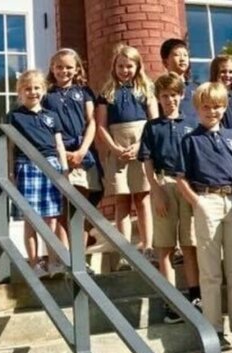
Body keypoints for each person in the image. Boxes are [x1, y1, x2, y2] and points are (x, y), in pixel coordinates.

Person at [176, 82, 232, 350]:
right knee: (210, 271)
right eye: (206, 107)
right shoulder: (190, 140)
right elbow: (180, 179)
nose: (212, 111)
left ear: (225, 108)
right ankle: (214, 329)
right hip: (207, 200)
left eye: (217, 106)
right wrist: (197, 202)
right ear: (197, 108)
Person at [138, 74, 200, 324]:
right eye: (164, 96)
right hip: (163, 184)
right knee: (165, 245)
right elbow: (147, 161)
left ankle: (196, 296)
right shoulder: (152, 127)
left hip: (187, 184)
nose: (170, 100)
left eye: (174, 95)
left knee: (189, 243)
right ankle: (171, 301)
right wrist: (155, 190)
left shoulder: (192, 123)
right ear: (158, 98)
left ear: (181, 95)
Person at [95, 44, 158, 269]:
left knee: (142, 198)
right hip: (117, 146)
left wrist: (140, 146)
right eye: (120, 66)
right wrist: (113, 148)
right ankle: (125, 252)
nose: (124, 70)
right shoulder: (106, 93)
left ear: (137, 66)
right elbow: (101, 126)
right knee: (122, 199)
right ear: (114, 67)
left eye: (129, 66)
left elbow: (154, 122)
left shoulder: (146, 90)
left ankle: (148, 246)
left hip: (141, 144)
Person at [43, 48, 100, 273]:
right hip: (59, 155)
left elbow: (92, 121)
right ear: (52, 68)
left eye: (68, 67)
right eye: (59, 67)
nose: (63, 71)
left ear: (76, 69)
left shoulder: (84, 92)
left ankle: (79, 258)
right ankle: (67, 259)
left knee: (81, 209)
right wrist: (62, 153)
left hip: (82, 156)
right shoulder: (47, 95)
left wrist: (82, 150)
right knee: (63, 211)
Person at [7, 69, 69, 277]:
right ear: (20, 92)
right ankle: (35, 264)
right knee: (31, 219)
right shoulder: (15, 116)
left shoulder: (51, 116)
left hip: (51, 166)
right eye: (27, 89)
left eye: (36, 88)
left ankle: (53, 262)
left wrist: (64, 170)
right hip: (27, 167)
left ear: (43, 90)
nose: (32, 92)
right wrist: (10, 173)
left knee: (51, 219)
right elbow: (9, 147)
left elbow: (59, 145)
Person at [160, 38, 198, 122]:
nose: (182, 59)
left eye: (185, 55)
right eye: (177, 55)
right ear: (165, 62)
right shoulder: (161, 87)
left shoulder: (196, 88)